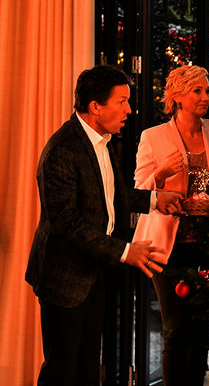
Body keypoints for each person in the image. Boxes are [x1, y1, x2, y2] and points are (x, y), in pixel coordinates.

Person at [25, 65, 182, 386]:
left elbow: (112, 193)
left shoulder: (102, 140)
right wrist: (126, 251)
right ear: (95, 107)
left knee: (86, 369)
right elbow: (66, 223)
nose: (129, 109)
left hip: (95, 271)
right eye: (122, 101)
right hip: (64, 277)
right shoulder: (62, 150)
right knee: (61, 371)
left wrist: (155, 199)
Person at [133, 65, 209, 386]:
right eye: (198, 91)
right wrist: (161, 173)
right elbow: (139, 191)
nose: (207, 97)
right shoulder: (153, 136)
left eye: (207, 90)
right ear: (177, 96)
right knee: (175, 329)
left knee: (202, 329)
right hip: (168, 245)